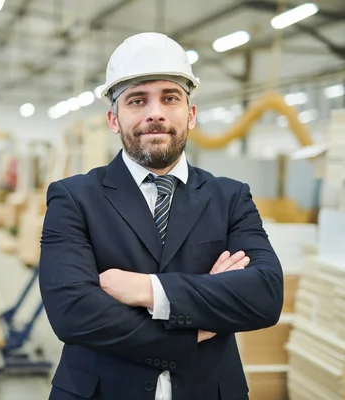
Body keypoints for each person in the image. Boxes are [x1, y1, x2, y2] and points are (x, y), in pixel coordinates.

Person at [38, 32, 283, 400]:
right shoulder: (74, 197)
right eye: (137, 100)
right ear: (113, 119)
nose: (156, 111)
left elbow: (264, 295)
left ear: (191, 114)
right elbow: (74, 314)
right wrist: (198, 326)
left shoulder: (230, 197)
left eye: (170, 98)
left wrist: (148, 290)